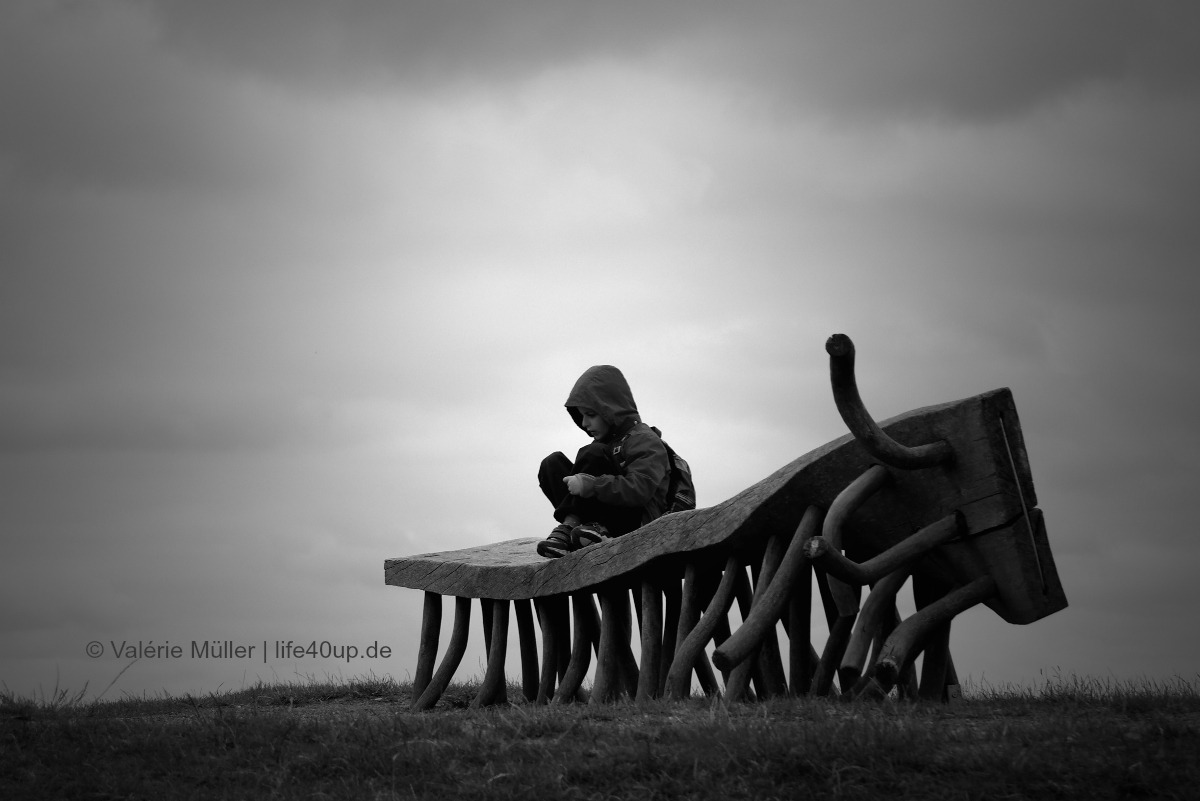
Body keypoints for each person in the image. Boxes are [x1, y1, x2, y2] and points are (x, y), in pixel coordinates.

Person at [536, 365, 671, 558]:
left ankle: (571, 526)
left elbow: (641, 489)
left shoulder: (644, 439)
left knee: (593, 453)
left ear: (611, 409)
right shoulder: (606, 443)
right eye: (581, 416)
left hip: (635, 522)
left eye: (590, 415)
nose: (584, 423)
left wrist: (594, 485)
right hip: (599, 517)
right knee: (552, 464)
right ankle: (581, 529)